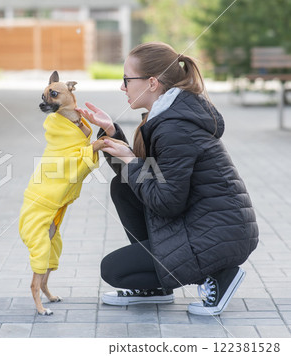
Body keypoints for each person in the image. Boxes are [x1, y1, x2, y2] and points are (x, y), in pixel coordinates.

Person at [76, 42, 259, 316]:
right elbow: (150, 177)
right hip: (204, 225)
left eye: (127, 79)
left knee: (114, 270)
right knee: (124, 187)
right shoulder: (168, 116)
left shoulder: (175, 128)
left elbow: (166, 202)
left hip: (220, 236)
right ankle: (158, 288)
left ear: (152, 83)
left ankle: (221, 275)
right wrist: (112, 132)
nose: (122, 87)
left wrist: (131, 160)